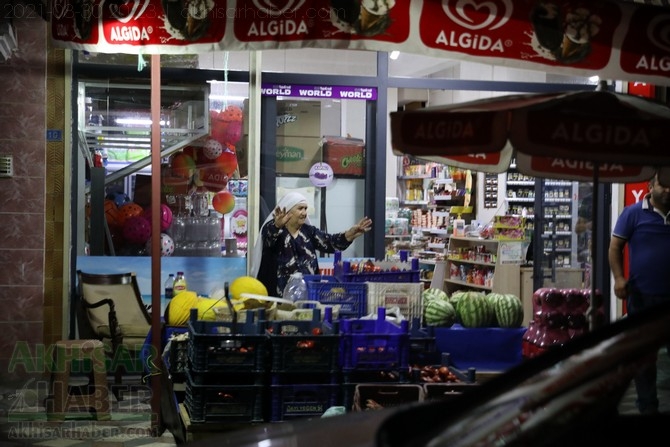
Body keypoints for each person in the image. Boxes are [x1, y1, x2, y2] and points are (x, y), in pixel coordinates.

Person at [608, 171, 670, 415]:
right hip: (643, 298)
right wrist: (619, 278)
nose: (667, 191)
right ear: (650, 186)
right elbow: (614, 247)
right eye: (663, 186)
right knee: (644, 359)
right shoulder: (632, 213)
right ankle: (647, 408)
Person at [250, 192, 373, 297]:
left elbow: (330, 242)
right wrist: (277, 225)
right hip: (278, 298)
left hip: (308, 295)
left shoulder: (308, 231)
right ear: (288, 211)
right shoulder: (274, 229)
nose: (304, 213)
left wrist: (350, 234)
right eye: (300, 208)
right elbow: (269, 238)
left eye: (305, 208)